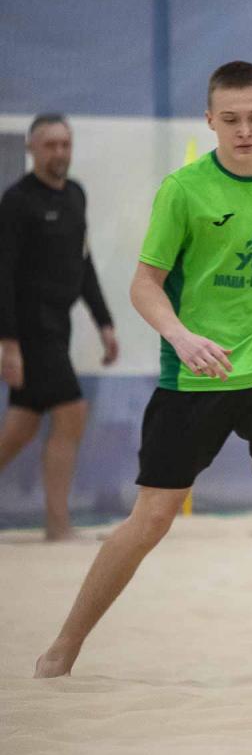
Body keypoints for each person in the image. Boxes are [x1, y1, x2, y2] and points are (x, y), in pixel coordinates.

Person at [35, 62, 252, 681]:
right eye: (231, 120)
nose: (244, 131)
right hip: (196, 376)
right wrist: (181, 338)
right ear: (210, 120)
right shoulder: (183, 191)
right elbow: (144, 285)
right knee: (151, 519)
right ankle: (64, 647)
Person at [0, 114, 119, 540]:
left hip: (59, 324)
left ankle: (57, 523)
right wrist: (9, 344)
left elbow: (82, 265)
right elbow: (3, 275)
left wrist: (104, 322)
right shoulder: (17, 201)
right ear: (31, 149)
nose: (59, 153)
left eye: (65, 144)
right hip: (31, 328)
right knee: (71, 411)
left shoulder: (75, 195)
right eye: (49, 145)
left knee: (22, 425)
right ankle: (58, 525)